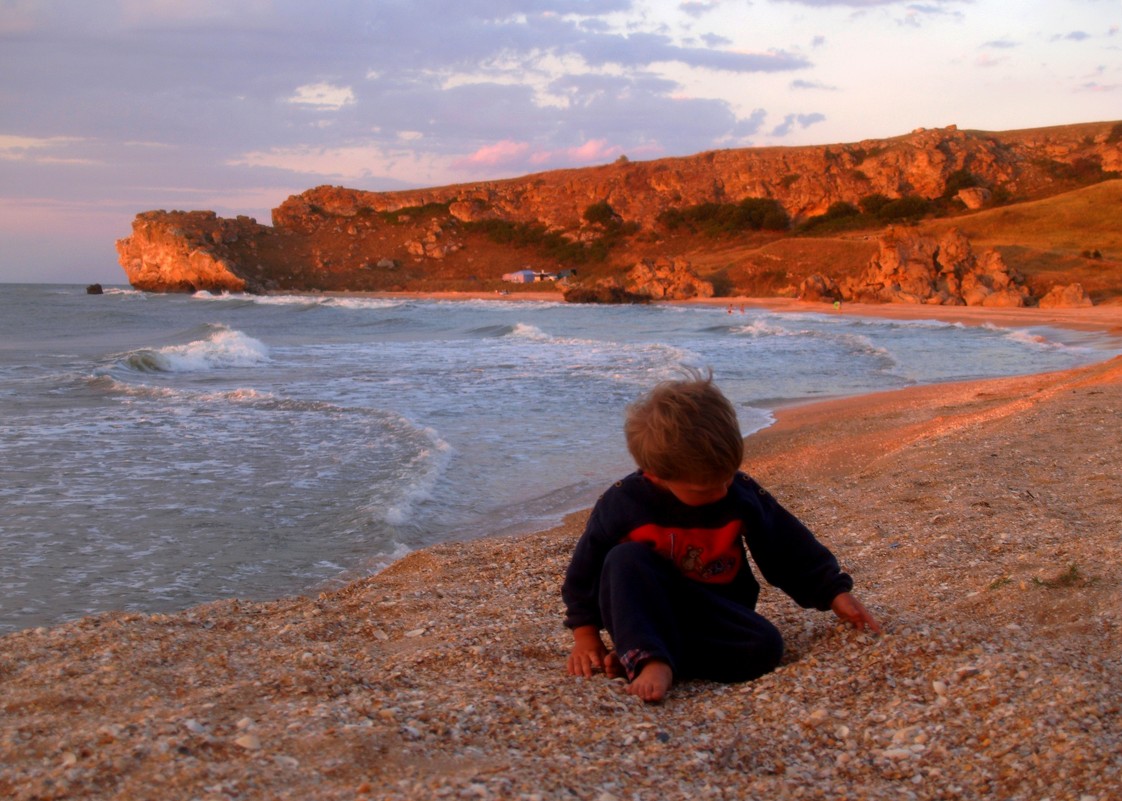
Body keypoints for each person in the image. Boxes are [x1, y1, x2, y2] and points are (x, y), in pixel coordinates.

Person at [561, 368, 880, 702]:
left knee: (767, 647)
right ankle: (651, 657)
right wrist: (585, 636)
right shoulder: (623, 503)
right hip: (644, 612)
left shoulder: (738, 493)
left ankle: (646, 655)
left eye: (727, 478)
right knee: (624, 559)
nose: (721, 491)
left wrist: (833, 592)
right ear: (656, 474)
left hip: (714, 615)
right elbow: (585, 573)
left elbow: (786, 546)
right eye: (705, 489)